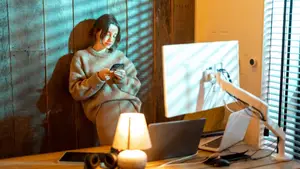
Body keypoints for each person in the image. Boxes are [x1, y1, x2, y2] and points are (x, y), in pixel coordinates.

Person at [69, 14, 142, 145]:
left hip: (128, 103)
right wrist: (98, 78)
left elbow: (136, 85)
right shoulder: (81, 57)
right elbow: (76, 92)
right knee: (116, 148)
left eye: (114, 36)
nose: (110, 39)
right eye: (108, 34)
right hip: (104, 107)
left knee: (137, 147)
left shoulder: (120, 56)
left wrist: (122, 80)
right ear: (97, 31)